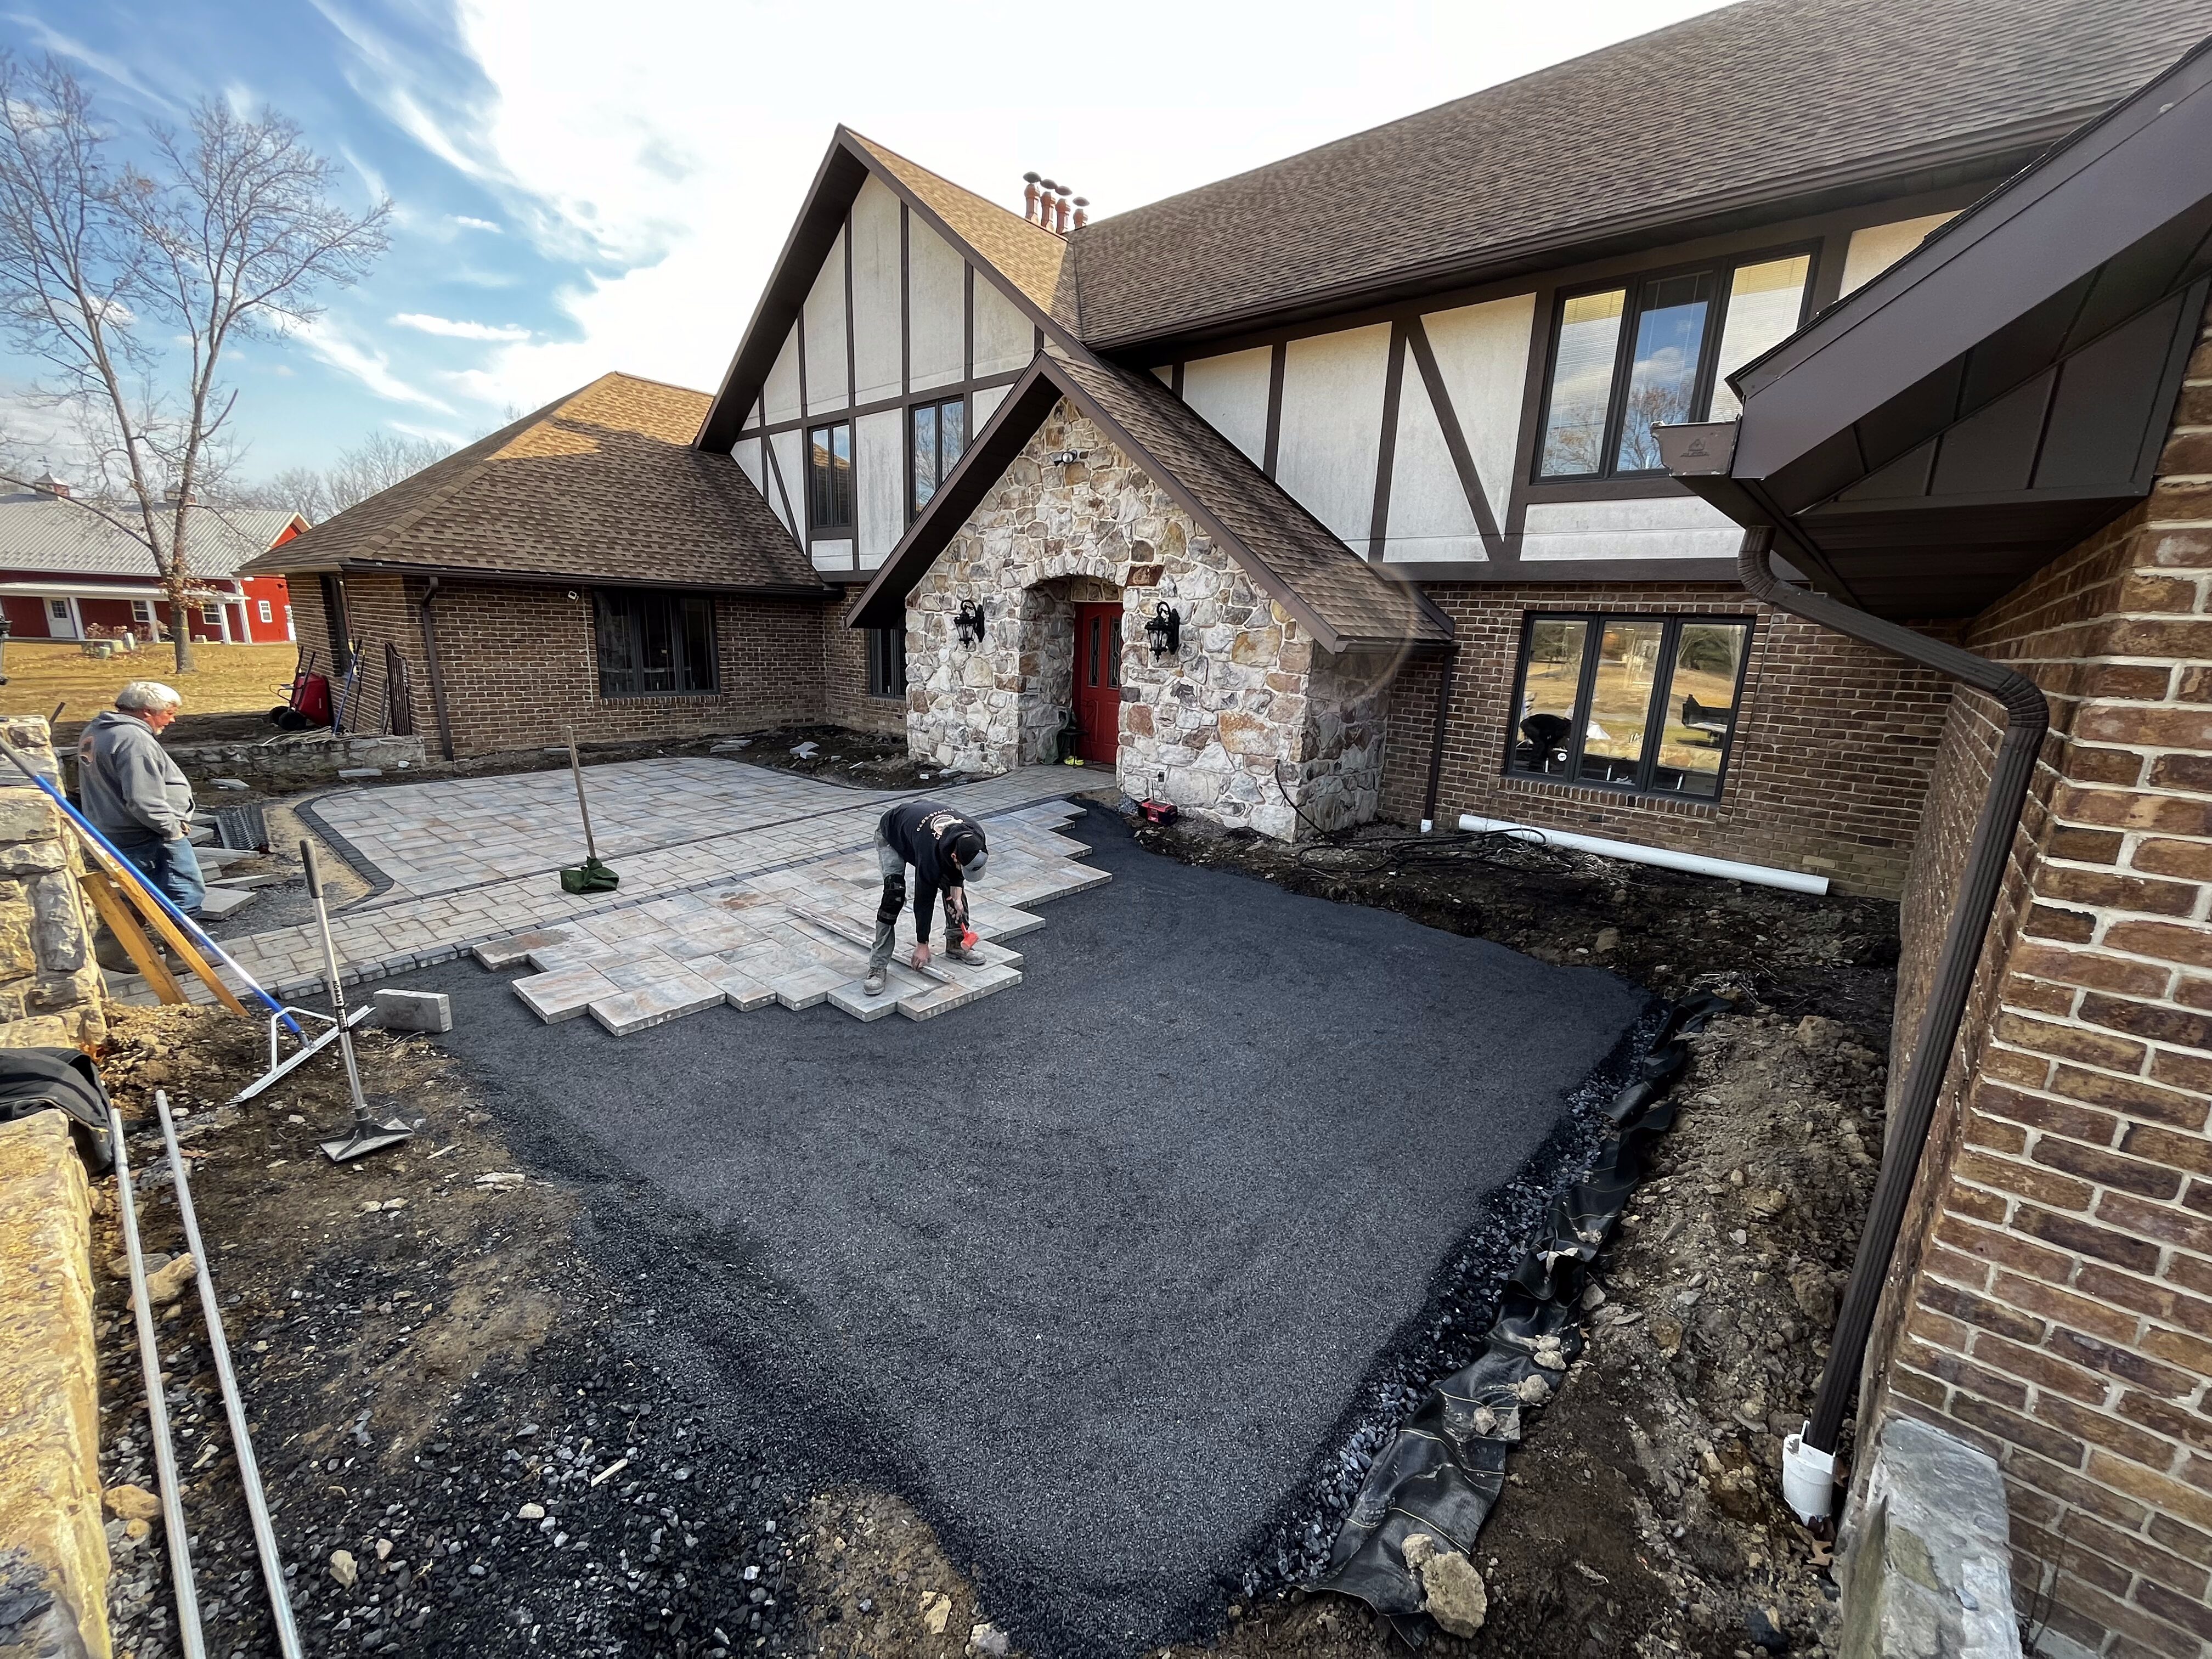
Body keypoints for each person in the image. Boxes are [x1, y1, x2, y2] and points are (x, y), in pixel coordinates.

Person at [78, 682, 205, 940]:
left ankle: (118, 945)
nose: (173, 719)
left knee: (142, 891)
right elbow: (142, 798)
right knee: (183, 890)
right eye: (169, 712)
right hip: (146, 832)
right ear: (147, 711)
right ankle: (184, 952)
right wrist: (171, 830)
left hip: (116, 827)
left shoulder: (98, 730)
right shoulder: (134, 740)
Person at [866, 799, 988, 996]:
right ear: (955, 857)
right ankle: (877, 966)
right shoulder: (930, 853)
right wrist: (922, 944)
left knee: (955, 894)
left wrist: (956, 893)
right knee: (894, 895)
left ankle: (956, 943)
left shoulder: (976, 834)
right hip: (893, 832)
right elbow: (924, 900)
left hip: (918, 829)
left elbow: (958, 871)